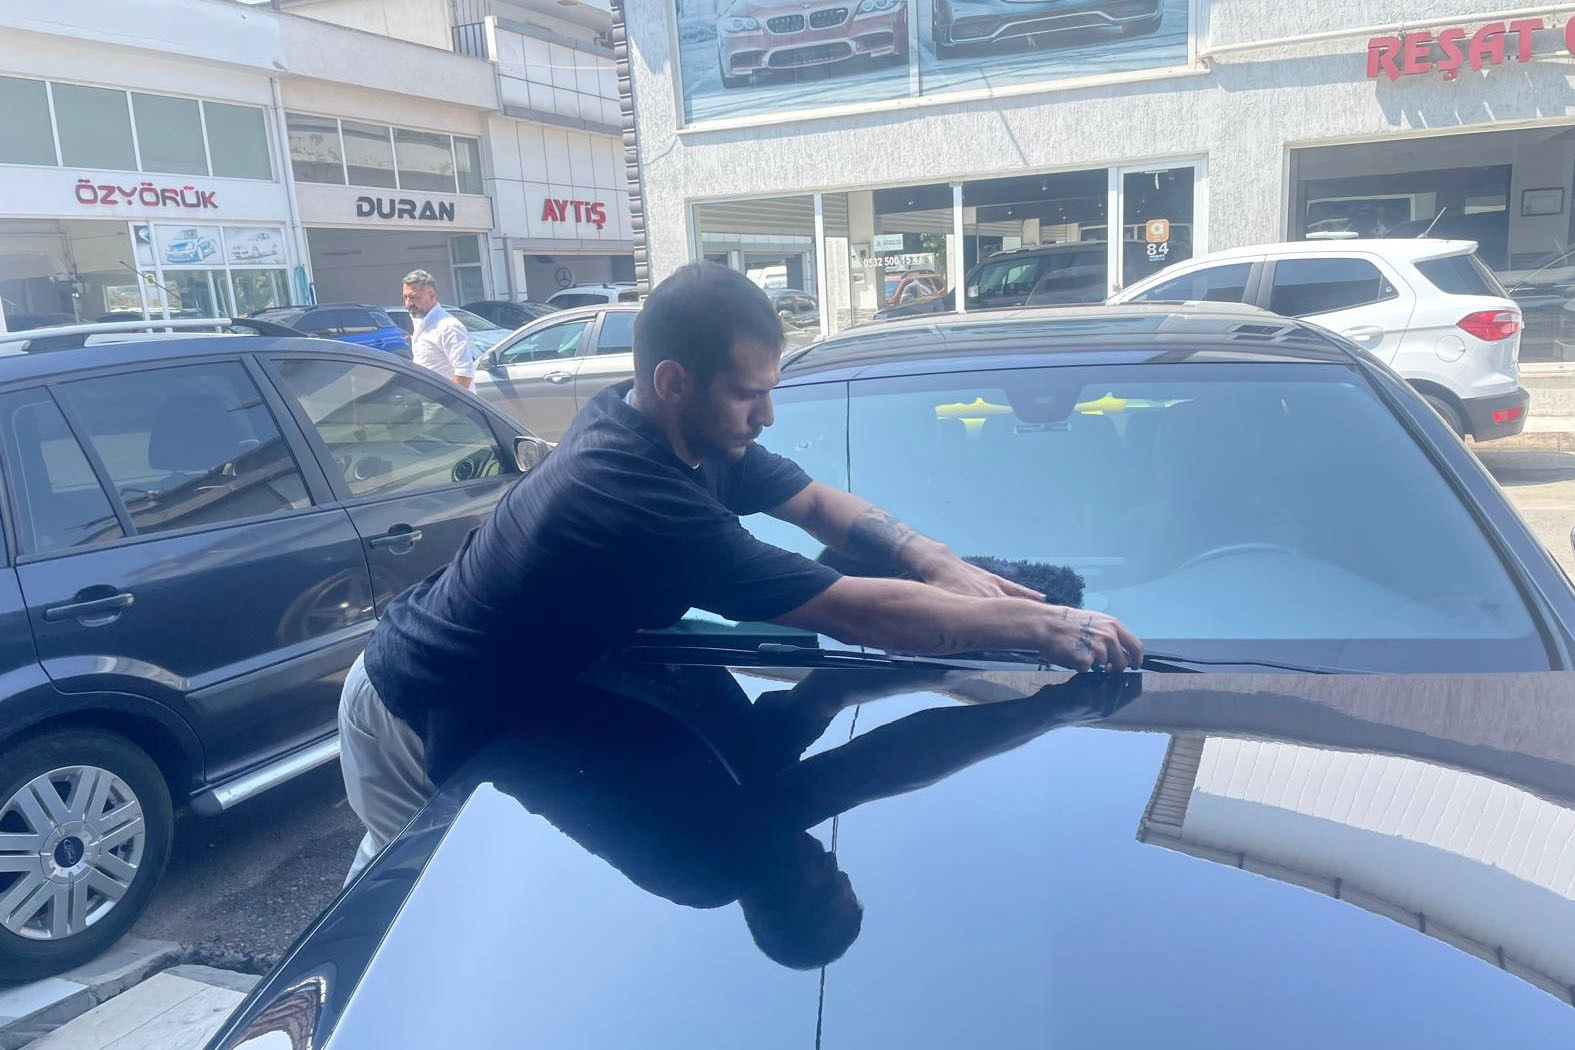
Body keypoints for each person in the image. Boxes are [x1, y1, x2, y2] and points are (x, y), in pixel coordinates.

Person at [338, 261, 1143, 881]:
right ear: (673, 382)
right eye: (748, 394)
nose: (766, 415)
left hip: (534, 694)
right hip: (416, 704)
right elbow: (855, 614)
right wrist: (1047, 625)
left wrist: (936, 559)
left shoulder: (677, 430)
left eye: (771, 390)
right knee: (410, 897)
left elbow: (815, 503)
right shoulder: (628, 493)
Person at [471, 663, 1142, 969]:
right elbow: (832, 688)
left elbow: (866, 770)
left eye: (823, 888)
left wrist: (1047, 710)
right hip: (544, 634)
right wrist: (954, 652)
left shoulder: (705, 866)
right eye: (841, 875)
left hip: (467, 677)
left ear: (772, 915)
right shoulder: (749, 780)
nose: (828, 860)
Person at [401, 269, 474, 388]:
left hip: (446, 398)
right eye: (405, 297)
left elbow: (464, 373)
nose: (408, 304)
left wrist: (449, 399)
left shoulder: (448, 327)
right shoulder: (419, 320)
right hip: (427, 396)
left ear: (432, 295)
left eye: (414, 297)